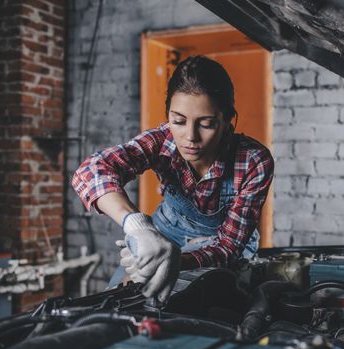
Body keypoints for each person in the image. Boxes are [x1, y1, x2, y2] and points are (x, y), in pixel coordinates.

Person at [72, 55, 274, 303]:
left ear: (227, 120)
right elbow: (92, 170)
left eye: (207, 124)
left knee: (198, 303)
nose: (190, 136)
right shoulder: (161, 140)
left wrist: (178, 260)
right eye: (178, 121)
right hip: (165, 233)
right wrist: (138, 227)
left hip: (223, 245)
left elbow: (228, 247)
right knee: (119, 298)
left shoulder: (253, 161)